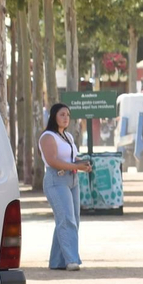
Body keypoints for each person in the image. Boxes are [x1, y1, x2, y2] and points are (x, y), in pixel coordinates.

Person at [40, 103, 93, 271]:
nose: (65, 118)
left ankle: (57, 261)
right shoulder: (48, 136)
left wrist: (83, 164)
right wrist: (74, 166)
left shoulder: (68, 137)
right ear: (54, 116)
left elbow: (72, 159)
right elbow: (53, 161)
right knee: (66, 219)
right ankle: (71, 260)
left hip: (72, 180)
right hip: (56, 180)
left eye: (68, 115)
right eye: (62, 114)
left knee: (72, 219)